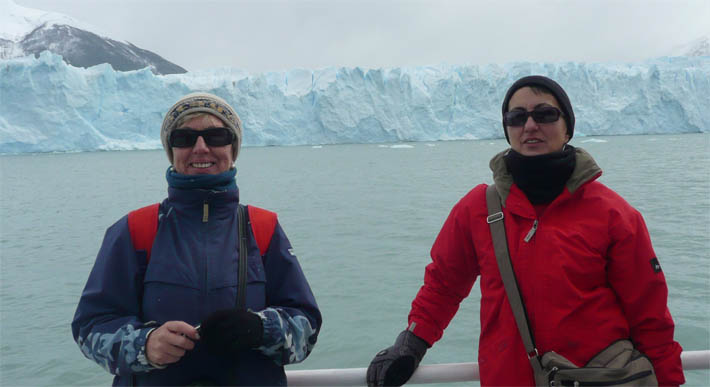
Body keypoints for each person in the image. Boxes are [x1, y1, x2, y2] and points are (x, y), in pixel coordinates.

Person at [367, 76, 685, 386]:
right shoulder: (478, 207)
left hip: (593, 378)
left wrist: (668, 380)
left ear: (567, 128)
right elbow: (443, 286)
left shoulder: (613, 214)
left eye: (545, 114)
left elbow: (650, 318)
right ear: (507, 129)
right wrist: (411, 343)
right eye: (517, 117)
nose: (530, 126)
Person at [72, 92, 322, 386]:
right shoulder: (135, 229)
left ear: (233, 148)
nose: (201, 148)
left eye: (216, 136)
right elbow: (90, 326)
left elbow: (307, 329)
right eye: (184, 138)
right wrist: (145, 345)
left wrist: (261, 329)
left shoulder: (263, 228)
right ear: (171, 150)